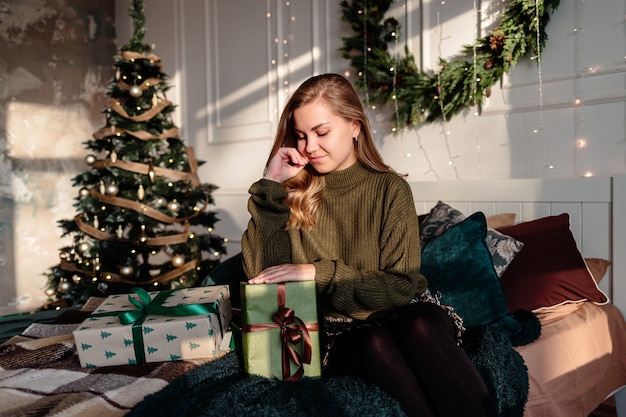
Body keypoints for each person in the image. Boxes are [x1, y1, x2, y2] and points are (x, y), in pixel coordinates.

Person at [241, 73, 497, 417]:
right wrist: (270, 185)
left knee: (418, 327)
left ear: (355, 126)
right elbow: (262, 277)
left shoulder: (390, 189)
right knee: (373, 343)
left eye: (321, 132)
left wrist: (316, 272)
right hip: (339, 328)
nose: (309, 147)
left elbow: (400, 285)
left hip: (403, 311)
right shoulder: (290, 191)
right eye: (301, 136)